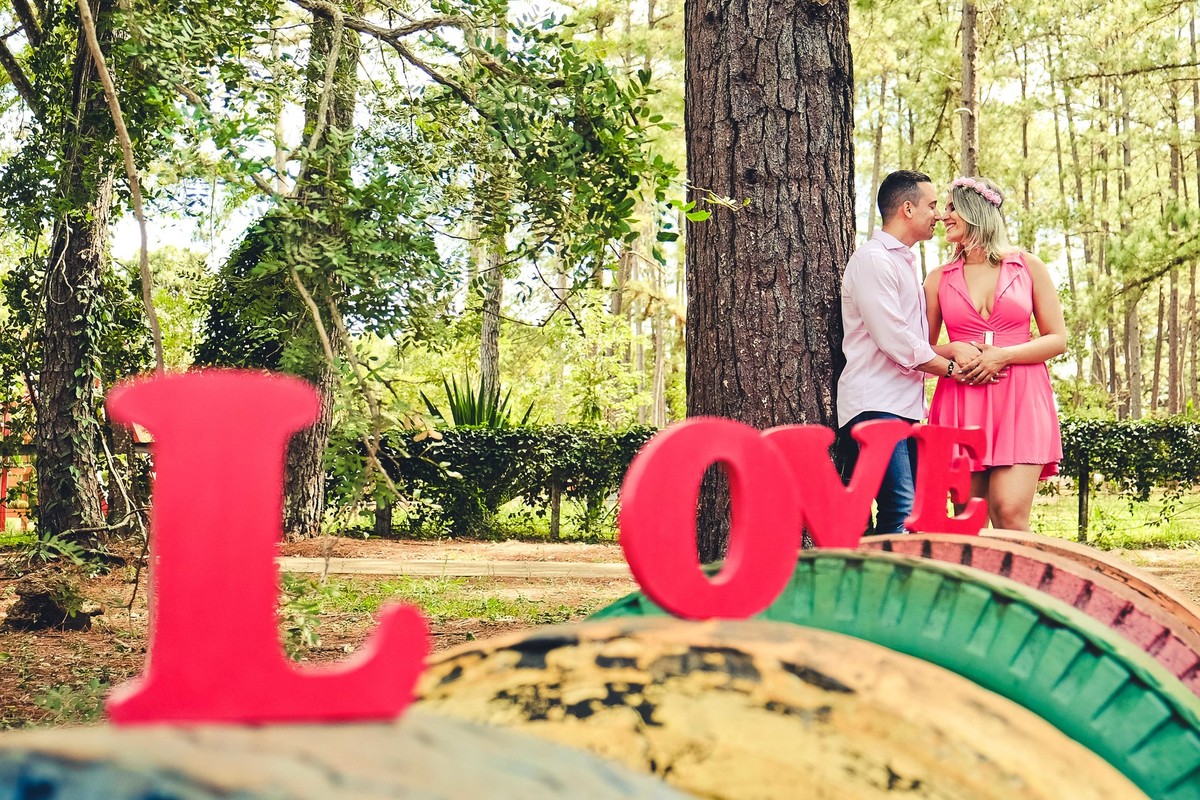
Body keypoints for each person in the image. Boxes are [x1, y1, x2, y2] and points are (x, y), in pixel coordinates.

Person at [924, 176, 1067, 530]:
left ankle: (1016, 587)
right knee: (967, 521)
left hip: (1020, 399)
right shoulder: (937, 278)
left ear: (976, 212)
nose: (944, 216)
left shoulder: (1028, 266)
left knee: (1009, 511)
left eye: (952, 207)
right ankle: (977, 586)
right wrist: (955, 350)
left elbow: (1057, 339)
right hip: (961, 402)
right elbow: (920, 350)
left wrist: (1002, 356)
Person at [838, 170, 972, 534]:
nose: (940, 215)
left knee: (911, 512)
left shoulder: (902, 262)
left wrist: (953, 349)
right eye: (932, 205)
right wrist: (948, 367)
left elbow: (909, 342)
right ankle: (888, 590)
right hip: (875, 405)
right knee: (899, 508)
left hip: (901, 406)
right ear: (908, 209)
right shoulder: (873, 260)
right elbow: (895, 339)